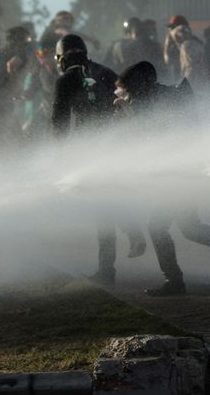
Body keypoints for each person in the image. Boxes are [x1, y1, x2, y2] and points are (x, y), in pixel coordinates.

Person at [115, 61, 210, 295]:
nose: (128, 95)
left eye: (130, 89)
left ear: (142, 84)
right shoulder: (159, 97)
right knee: (190, 227)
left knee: (157, 226)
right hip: (185, 172)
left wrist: (128, 115)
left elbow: (151, 135)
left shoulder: (157, 101)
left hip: (181, 175)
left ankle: (174, 281)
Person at [51, 34, 145, 284]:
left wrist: (59, 156)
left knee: (101, 207)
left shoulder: (65, 81)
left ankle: (108, 268)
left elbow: (59, 123)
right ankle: (127, 235)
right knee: (109, 198)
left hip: (90, 150)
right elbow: (127, 98)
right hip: (117, 143)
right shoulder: (105, 72)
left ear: (61, 58)